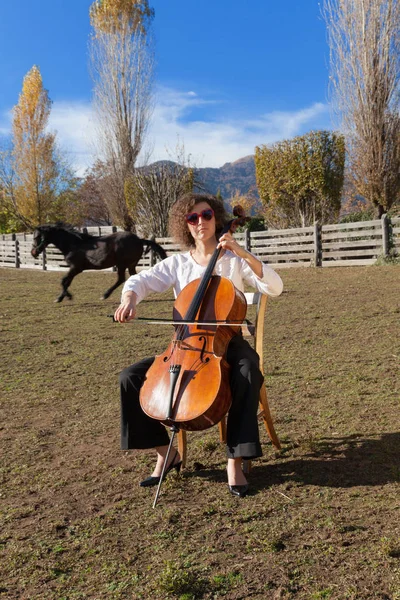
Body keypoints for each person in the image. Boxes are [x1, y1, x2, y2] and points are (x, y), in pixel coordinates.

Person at [114, 193, 283, 497]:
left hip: (228, 341)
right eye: (192, 218)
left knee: (247, 371)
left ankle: (235, 458)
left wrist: (242, 252)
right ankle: (166, 453)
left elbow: (275, 286)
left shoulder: (232, 259)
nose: (200, 222)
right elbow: (139, 282)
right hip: (185, 346)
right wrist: (129, 299)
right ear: (186, 226)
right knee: (129, 378)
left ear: (216, 217)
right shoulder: (178, 264)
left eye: (205, 215)